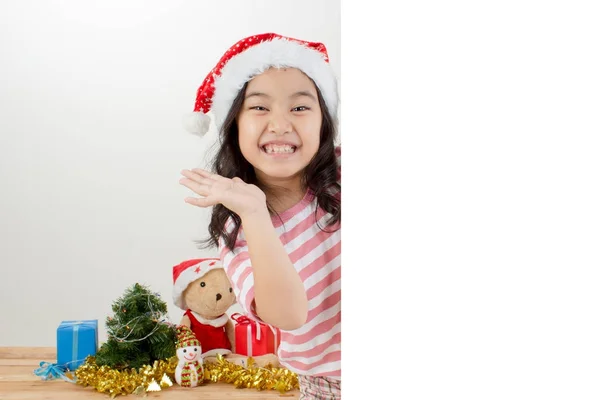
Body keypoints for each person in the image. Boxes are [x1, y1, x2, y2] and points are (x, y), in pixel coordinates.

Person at [179, 33, 341, 399]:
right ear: (234, 124)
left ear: (323, 122)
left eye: (300, 108)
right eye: (259, 107)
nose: (280, 124)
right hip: (328, 389)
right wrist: (254, 213)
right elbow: (287, 316)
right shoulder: (237, 228)